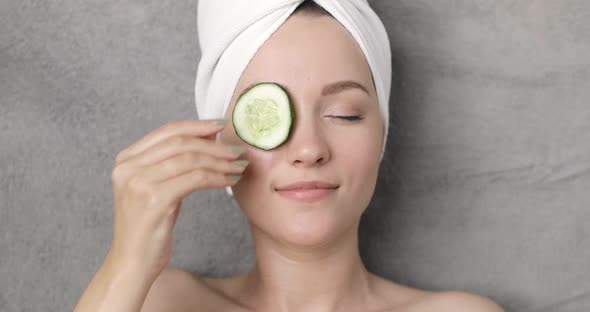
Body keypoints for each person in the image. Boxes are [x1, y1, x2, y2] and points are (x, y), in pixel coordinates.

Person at [74, 1, 505, 311]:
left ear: (382, 135)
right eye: (264, 116)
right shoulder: (161, 304)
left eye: (344, 114)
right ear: (217, 137)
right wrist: (127, 263)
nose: (309, 150)